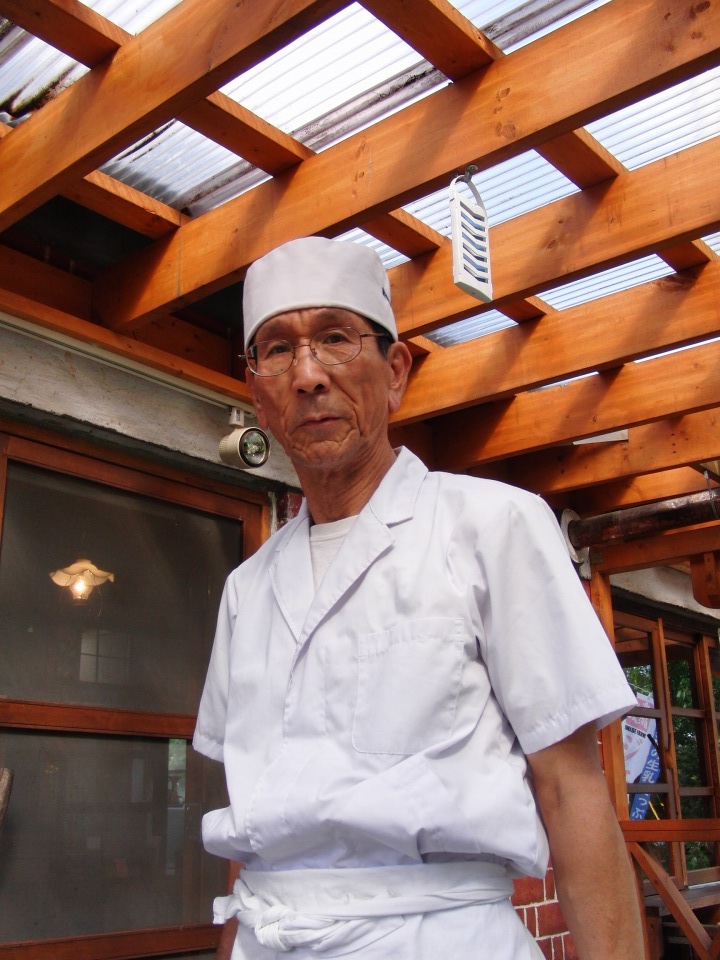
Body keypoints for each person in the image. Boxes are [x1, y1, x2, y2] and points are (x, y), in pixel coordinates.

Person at [193, 237, 644, 960]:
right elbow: (252, 833)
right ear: (257, 396)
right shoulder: (246, 590)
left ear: (396, 371)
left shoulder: (494, 525)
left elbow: (571, 789)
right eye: (277, 350)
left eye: (335, 338)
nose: (307, 375)